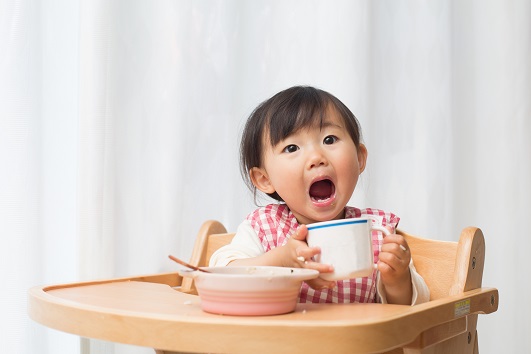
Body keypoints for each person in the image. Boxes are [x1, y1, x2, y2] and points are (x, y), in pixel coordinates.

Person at [210, 86, 429, 305]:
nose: (316, 157)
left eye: (330, 140)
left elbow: (412, 309)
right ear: (264, 179)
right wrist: (281, 259)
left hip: (353, 339)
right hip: (280, 339)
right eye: (292, 147)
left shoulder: (376, 232)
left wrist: (397, 280)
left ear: (359, 158)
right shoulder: (264, 228)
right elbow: (221, 272)